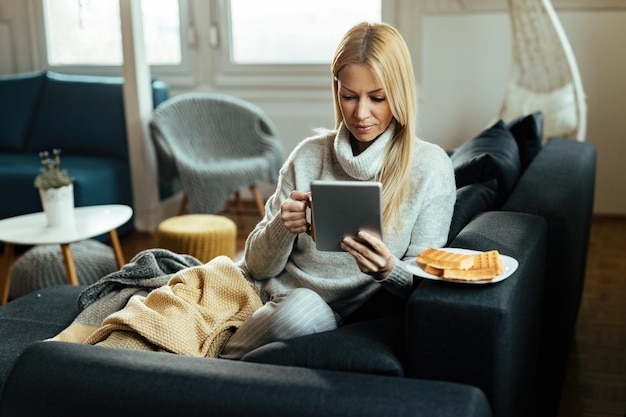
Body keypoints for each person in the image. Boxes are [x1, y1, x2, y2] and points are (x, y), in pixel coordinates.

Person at [220, 21, 456, 359]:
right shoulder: (308, 154)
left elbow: (426, 285)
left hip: (317, 313)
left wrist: (389, 271)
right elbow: (256, 267)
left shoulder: (430, 168)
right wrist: (281, 229)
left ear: (401, 95)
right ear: (337, 91)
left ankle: (210, 368)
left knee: (302, 310)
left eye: (377, 98)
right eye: (349, 96)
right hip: (261, 292)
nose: (361, 113)